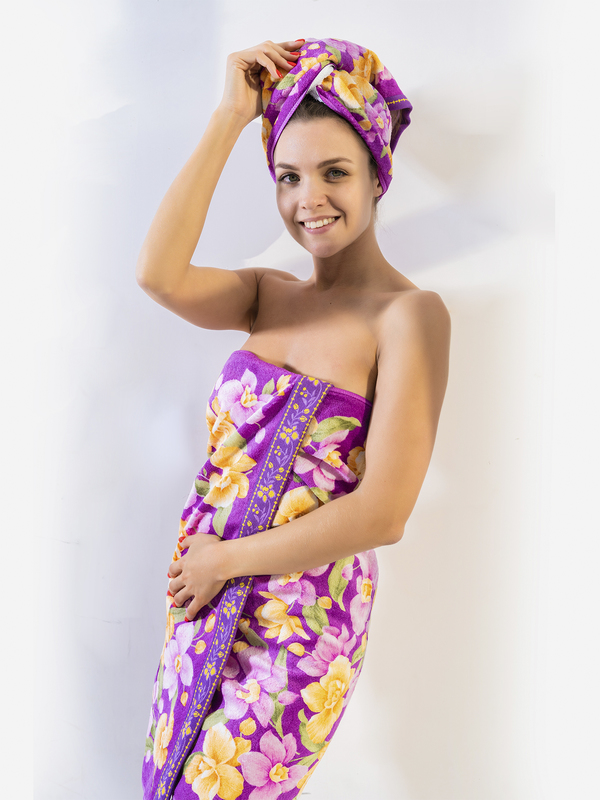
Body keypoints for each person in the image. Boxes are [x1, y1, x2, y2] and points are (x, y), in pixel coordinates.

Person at [137, 37, 451, 800]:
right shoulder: (265, 295)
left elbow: (384, 513)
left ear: (376, 173)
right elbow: (158, 275)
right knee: (163, 785)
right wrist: (229, 117)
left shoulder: (410, 317)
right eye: (289, 176)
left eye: (334, 172)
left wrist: (224, 562)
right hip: (205, 600)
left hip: (299, 622)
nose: (309, 198)